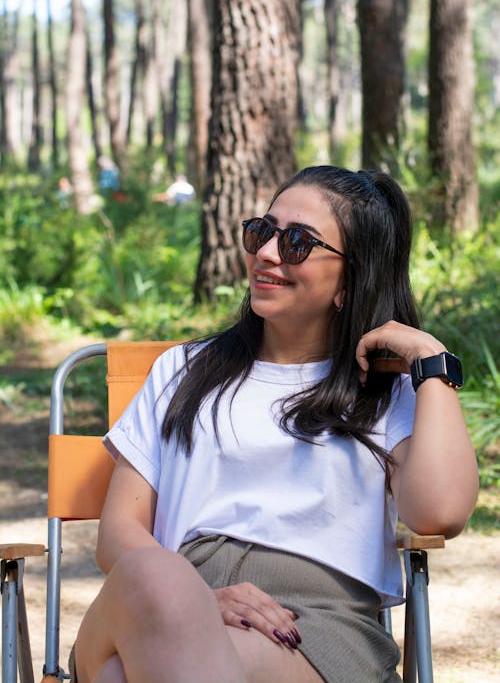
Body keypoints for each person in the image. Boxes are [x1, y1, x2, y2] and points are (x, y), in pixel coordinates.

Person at [73, 165, 478, 683]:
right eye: (263, 231)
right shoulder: (182, 371)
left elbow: (440, 513)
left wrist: (431, 360)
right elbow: (119, 535)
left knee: (117, 677)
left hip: (314, 630)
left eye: (297, 243)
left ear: (350, 279)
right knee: (156, 577)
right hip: (161, 599)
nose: (265, 253)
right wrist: (198, 599)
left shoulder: (384, 391)